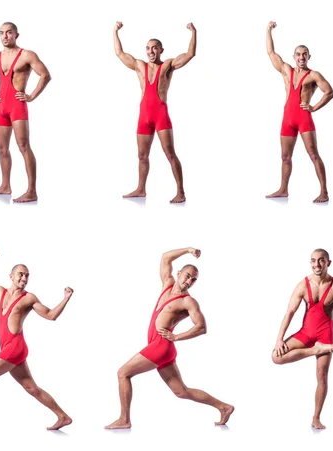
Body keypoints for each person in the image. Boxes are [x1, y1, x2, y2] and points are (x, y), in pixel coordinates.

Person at [105, 247, 234, 429]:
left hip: (161, 346)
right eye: (187, 275)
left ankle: (124, 419)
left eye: (193, 280)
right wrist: (189, 250)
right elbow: (165, 257)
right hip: (159, 347)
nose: (189, 281)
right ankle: (224, 407)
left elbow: (202, 327)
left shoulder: (188, 301)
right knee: (181, 391)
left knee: (123, 373)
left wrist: (177, 336)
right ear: (179, 273)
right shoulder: (167, 284)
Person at [0, 247, 74, 431]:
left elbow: (51, 315)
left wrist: (66, 298)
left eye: (27, 276)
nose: (24, 279)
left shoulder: (29, 298)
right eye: (21, 275)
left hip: (15, 347)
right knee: (32, 389)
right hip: (9, 347)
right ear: (11, 276)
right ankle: (63, 416)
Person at [114, 22, 196, 203]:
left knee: (170, 153)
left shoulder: (167, 65)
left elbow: (190, 54)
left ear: (161, 50)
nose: (150, 51)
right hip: (144, 116)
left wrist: (193, 32)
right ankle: (141, 189)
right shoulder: (139, 65)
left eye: (154, 48)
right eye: (148, 48)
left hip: (160, 115)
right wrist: (115, 31)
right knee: (142, 156)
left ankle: (180, 192)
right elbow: (119, 53)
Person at [272, 249, 333, 429]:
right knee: (276, 357)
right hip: (306, 332)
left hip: (325, 334)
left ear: (328, 263)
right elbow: (290, 312)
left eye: (321, 261)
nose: (317, 265)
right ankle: (316, 349)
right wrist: (279, 339)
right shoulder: (303, 285)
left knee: (322, 376)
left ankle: (316, 418)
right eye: (313, 261)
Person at [0, 22, 51, 203]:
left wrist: (32, 96)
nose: (5, 36)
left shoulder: (26, 55)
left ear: (16, 35)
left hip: (17, 106)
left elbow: (45, 75)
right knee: (2, 149)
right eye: (2, 33)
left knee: (23, 147)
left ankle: (32, 191)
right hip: (0, 108)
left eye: (9, 33)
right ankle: (5, 186)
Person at [265, 22, 333, 203]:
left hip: (304, 118)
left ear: (309, 56)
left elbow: (330, 92)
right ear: (294, 57)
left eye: (304, 54)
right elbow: (271, 53)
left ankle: (324, 192)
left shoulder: (313, 75)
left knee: (313, 155)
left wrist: (314, 107)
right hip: (287, 118)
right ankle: (283, 189)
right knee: (285, 156)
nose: (301, 57)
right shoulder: (286, 70)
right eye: (298, 54)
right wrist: (268, 31)